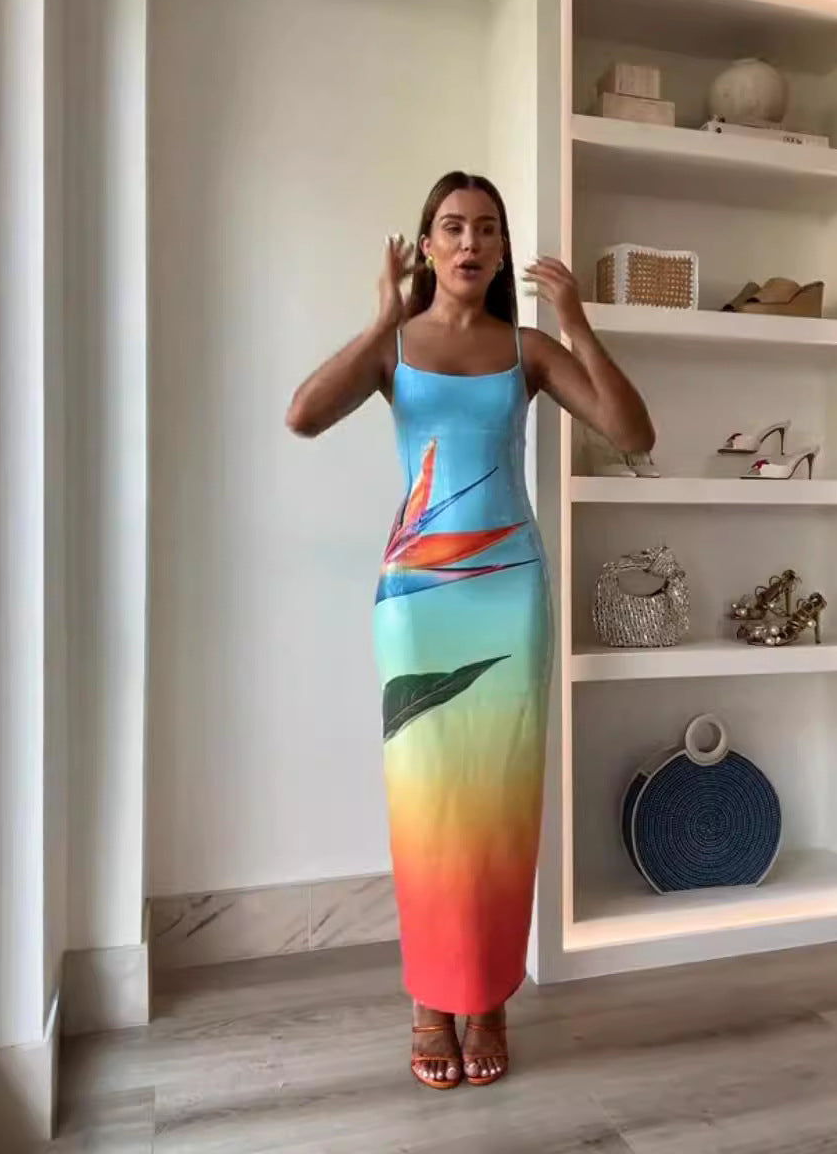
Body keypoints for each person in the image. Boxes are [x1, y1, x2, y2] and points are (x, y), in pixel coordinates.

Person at [287, 171, 654, 1089]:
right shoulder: (394, 348)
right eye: (452, 227)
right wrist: (381, 318)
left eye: (486, 229)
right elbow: (303, 415)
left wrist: (577, 324)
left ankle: (486, 996)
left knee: (498, 800)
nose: (470, 242)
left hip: (510, 591)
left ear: (500, 249)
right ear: (426, 244)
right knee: (428, 804)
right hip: (418, 600)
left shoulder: (526, 350)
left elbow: (632, 434)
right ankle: (430, 1001)